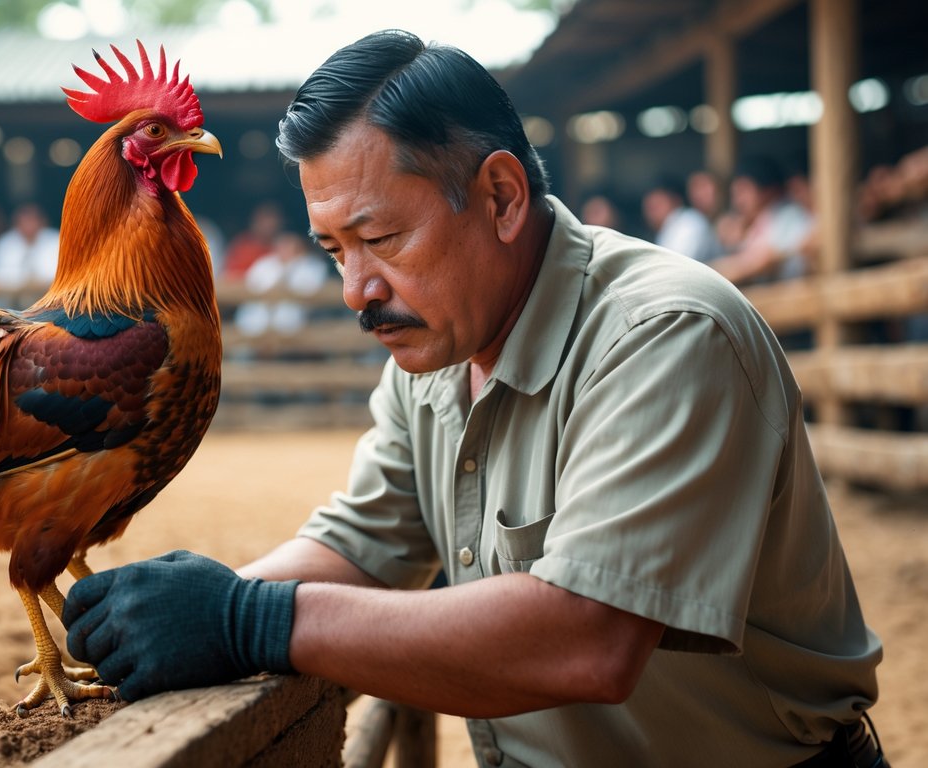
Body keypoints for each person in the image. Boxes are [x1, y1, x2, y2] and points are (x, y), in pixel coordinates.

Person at [60, 30, 887, 768]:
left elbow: (586, 639)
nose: (355, 290)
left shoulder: (666, 335)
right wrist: (179, 613)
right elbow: (363, 545)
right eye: (332, 249)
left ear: (499, 197)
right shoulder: (432, 356)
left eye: (379, 239)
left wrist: (248, 620)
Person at [710, 157, 815, 286]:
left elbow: (760, 262)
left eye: (744, 191)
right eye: (735, 194)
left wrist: (707, 276)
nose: (738, 201)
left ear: (768, 191)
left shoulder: (788, 215)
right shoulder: (756, 223)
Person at [233, 231, 332, 337]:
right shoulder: (264, 264)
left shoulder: (312, 266)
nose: (285, 249)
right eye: (282, 245)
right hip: (256, 322)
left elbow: (310, 292)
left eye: (289, 245)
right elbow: (249, 288)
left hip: (293, 325)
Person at [641, 175, 721, 263]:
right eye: (649, 208)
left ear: (675, 200)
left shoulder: (689, 222)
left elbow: (677, 264)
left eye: (657, 206)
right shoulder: (667, 228)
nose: (652, 213)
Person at [0, 202, 60, 296]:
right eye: (24, 220)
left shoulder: (56, 240)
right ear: (16, 223)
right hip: (11, 300)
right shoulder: (4, 243)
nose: (28, 224)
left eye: (32, 220)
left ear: (42, 221)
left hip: (50, 298)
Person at [221, 201, 284, 280]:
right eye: (264, 219)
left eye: (273, 219)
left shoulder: (286, 247)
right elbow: (229, 276)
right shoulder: (242, 245)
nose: (269, 224)